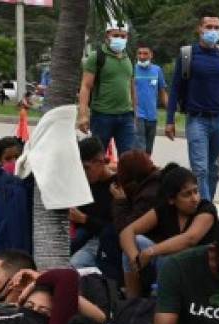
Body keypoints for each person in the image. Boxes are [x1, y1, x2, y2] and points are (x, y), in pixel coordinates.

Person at [165, 8, 219, 202]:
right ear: (199, 29)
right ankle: (206, 213)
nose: (213, 31)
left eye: (217, 27)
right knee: (200, 170)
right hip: (197, 121)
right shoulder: (187, 54)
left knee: (214, 171)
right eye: (209, 27)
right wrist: (169, 120)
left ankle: (206, 208)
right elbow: (174, 89)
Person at [119, 163, 217, 298]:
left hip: (199, 271)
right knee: (135, 242)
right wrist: (135, 259)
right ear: (172, 199)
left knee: (169, 259)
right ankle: (133, 302)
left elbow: (190, 239)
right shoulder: (165, 209)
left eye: (196, 191)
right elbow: (127, 232)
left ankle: (161, 305)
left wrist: (151, 252)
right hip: (168, 266)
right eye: (187, 194)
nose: (194, 199)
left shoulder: (206, 209)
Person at [77, 19, 137, 155]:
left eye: (123, 36)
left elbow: (132, 87)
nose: (119, 39)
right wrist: (83, 115)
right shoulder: (96, 57)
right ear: (107, 36)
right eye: (115, 35)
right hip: (102, 116)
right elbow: (85, 86)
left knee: (129, 159)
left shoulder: (129, 58)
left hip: (126, 117)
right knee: (96, 158)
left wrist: (134, 114)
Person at [70, 137, 118, 271]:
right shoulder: (83, 182)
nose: (83, 173)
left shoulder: (116, 187)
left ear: (100, 161)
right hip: (83, 234)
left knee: (75, 264)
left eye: (86, 168)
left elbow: (114, 228)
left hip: (102, 239)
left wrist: (84, 219)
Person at [111, 149, 162, 232]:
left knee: (109, 234)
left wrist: (120, 201)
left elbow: (125, 229)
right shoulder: (152, 182)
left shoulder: (148, 195)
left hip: (156, 239)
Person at [134, 42, 168, 155]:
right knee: (140, 147)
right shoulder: (132, 69)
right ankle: (140, 170)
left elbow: (162, 92)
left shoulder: (157, 70)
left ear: (151, 55)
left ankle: (145, 170)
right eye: (140, 53)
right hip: (137, 115)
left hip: (152, 116)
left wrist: (170, 112)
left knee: (148, 150)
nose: (142, 57)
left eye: (145, 53)